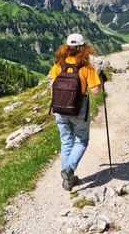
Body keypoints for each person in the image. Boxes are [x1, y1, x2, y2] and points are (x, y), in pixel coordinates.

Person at [49, 33, 102, 191]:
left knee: (66, 142)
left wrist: (53, 105)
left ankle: (68, 179)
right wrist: (101, 79)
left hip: (59, 107)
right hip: (79, 108)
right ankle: (69, 170)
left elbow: (53, 84)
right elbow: (95, 91)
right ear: (83, 48)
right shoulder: (86, 67)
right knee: (81, 141)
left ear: (67, 47)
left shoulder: (59, 64)